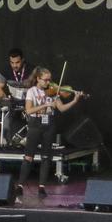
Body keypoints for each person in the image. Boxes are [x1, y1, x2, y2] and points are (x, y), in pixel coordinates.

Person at [18, 66, 81, 200]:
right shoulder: (32, 91)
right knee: (29, 156)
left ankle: (41, 187)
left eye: (49, 80)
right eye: (45, 80)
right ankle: (20, 185)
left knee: (46, 157)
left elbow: (62, 109)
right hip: (35, 124)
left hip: (49, 125)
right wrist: (45, 105)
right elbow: (29, 110)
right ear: (38, 79)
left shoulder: (53, 92)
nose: (49, 83)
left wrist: (74, 101)